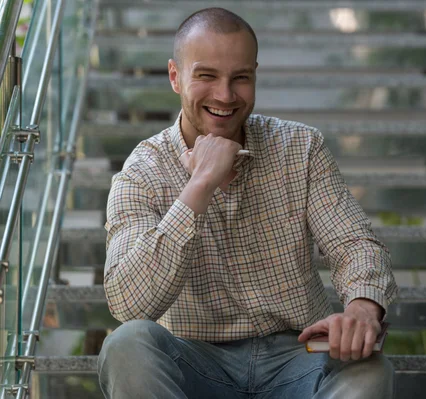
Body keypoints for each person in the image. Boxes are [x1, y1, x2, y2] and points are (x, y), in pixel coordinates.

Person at [97, 7, 398, 399]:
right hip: (194, 363)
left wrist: (361, 308)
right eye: (206, 76)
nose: (225, 95)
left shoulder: (301, 148)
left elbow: (354, 245)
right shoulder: (141, 172)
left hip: (299, 356)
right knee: (126, 345)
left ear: (255, 75)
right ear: (175, 76)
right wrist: (200, 185)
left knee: (370, 373)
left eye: (240, 78)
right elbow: (127, 303)